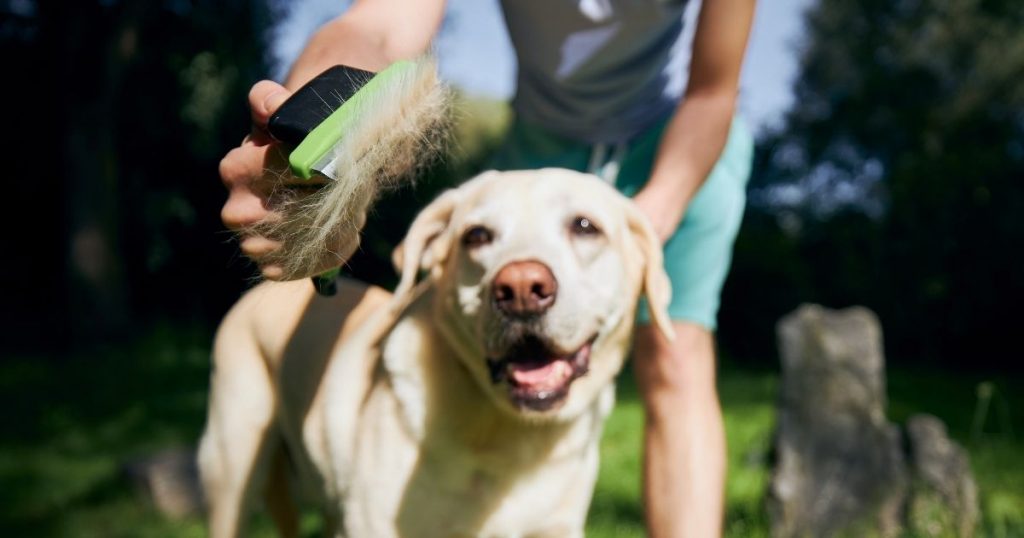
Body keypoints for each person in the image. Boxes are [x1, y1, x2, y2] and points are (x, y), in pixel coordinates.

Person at [219, 0, 755, 535]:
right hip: (542, 137)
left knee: (676, 357)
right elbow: (379, 27)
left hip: (678, 133)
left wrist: (637, 230)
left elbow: (713, 92)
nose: (524, 285)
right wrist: (306, 138)